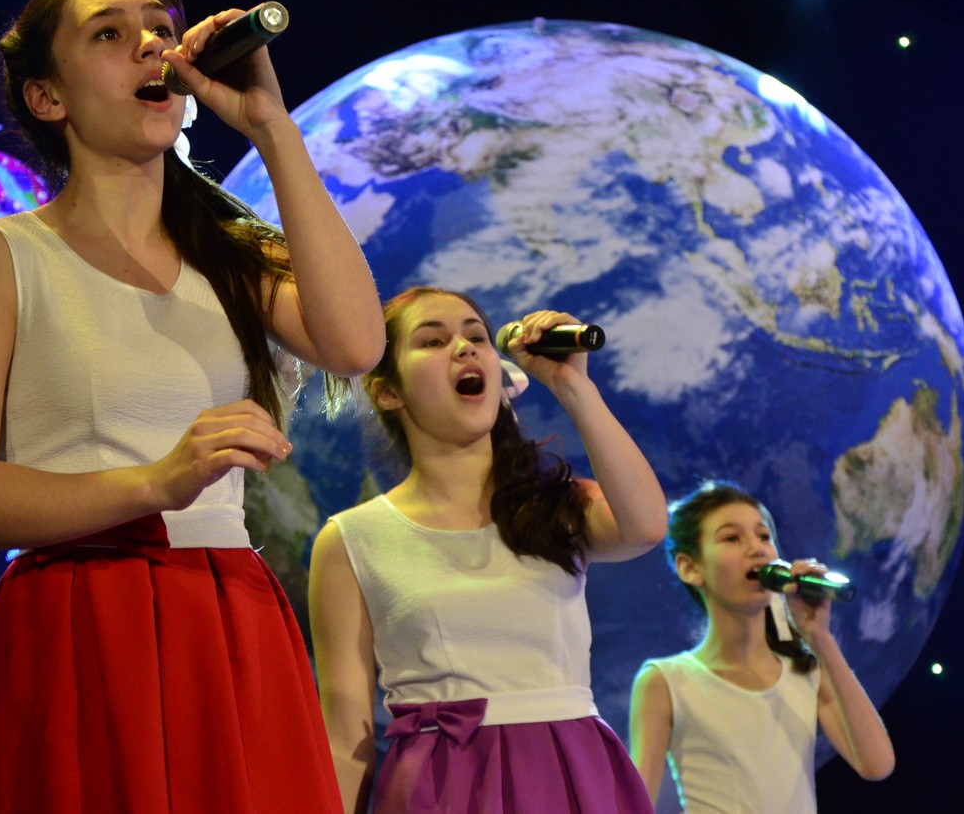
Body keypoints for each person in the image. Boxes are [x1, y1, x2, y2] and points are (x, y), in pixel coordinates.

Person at [0, 0, 385, 813]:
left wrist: (273, 129)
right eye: (109, 34)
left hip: (226, 616)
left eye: (161, 29)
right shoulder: (3, 255)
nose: (150, 46)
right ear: (47, 97)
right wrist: (155, 484)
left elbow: (355, 344)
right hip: (82, 617)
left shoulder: (231, 258)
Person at [308, 286, 667, 814]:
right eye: (433, 341)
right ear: (387, 392)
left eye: (476, 336)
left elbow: (646, 527)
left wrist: (572, 385)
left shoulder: (556, 505)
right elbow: (345, 738)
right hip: (441, 786)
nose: (463, 348)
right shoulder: (352, 539)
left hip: (572, 773)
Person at [628, 481, 896, 813]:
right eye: (732, 538)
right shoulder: (666, 680)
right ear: (690, 567)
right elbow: (634, 802)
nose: (756, 549)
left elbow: (876, 764)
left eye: (764, 536)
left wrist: (819, 638)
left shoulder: (805, 671)